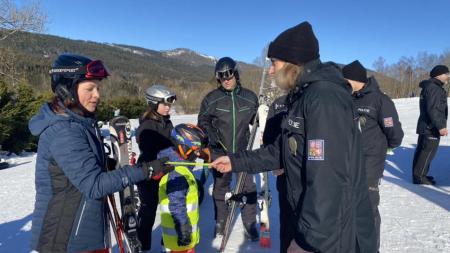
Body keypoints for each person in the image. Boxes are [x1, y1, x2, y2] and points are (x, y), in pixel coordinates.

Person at [211, 22, 377, 253]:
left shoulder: (324, 99)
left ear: (293, 63)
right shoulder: (302, 97)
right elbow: (282, 150)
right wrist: (235, 161)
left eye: (274, 63)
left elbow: (328, 180)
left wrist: (310, 242)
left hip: (332, 236)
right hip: (310, 221)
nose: (271, 70)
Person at [28, 53, 172, 253]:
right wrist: (144, 171)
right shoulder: (65, 130)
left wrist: (104, 164)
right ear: (65, 90)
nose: (97, 95)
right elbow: (94, 185)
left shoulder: (80, 123)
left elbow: (80, 172)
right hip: (65, 238)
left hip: (81, 232)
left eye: (98, 88)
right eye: (90, 89)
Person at [342, 60, 404, 251]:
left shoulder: (380, 100)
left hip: (370, 161)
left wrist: (382, 149)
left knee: (367, 207)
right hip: (347, 160)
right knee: (347, 205)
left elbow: (394, 133)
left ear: (354, 79)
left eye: (344, 80)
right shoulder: (347, 98)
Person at [197, 57, 259, 240]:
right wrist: (210, 133)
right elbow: (203, 120)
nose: (226, 79)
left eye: (229, 74)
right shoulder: (212, 99)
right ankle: (221, 222)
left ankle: (250, 223)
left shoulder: (249, 97)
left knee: (248, 186)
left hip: (242, 149)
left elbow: (257, 120)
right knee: (220, 186)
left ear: (236, 73)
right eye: (221, 76)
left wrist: (262, 117)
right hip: (219, 150)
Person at [157, 123, 210, 253]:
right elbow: (176, 203)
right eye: (196, 150)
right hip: (179, 239)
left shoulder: (178, 165)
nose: (198, 154)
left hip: (177, 238)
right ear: (184, 147)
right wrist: (184, 231)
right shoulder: (178, 172)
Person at [135, 84, 176, 251]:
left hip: (165, 170)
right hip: (149, 172)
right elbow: (148, 150)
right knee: (148, 211)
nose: (168, 108)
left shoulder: (166, 122)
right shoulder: (148, 126)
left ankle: (167, 242)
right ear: (153, 104)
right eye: (165, 104)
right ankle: (141, 245)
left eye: (169, 105)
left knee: (169, 208)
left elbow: (173, 142)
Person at [261, 95, 293, 253]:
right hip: (285, 174)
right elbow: (268, 137)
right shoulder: (279, 103)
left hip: (313, 177)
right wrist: (277, 162)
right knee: (287, 221)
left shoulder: (316, 100)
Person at [412, 65, 449, 185]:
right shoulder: (434, 88)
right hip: (431, 127)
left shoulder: (430, 87)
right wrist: (440, 126)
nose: (448, 76)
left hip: (426, 125)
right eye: (446, 74)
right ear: (439, 75)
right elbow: (434, 109)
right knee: (427, 152)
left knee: (422, 151)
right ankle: (420, 177)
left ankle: (419, 175)